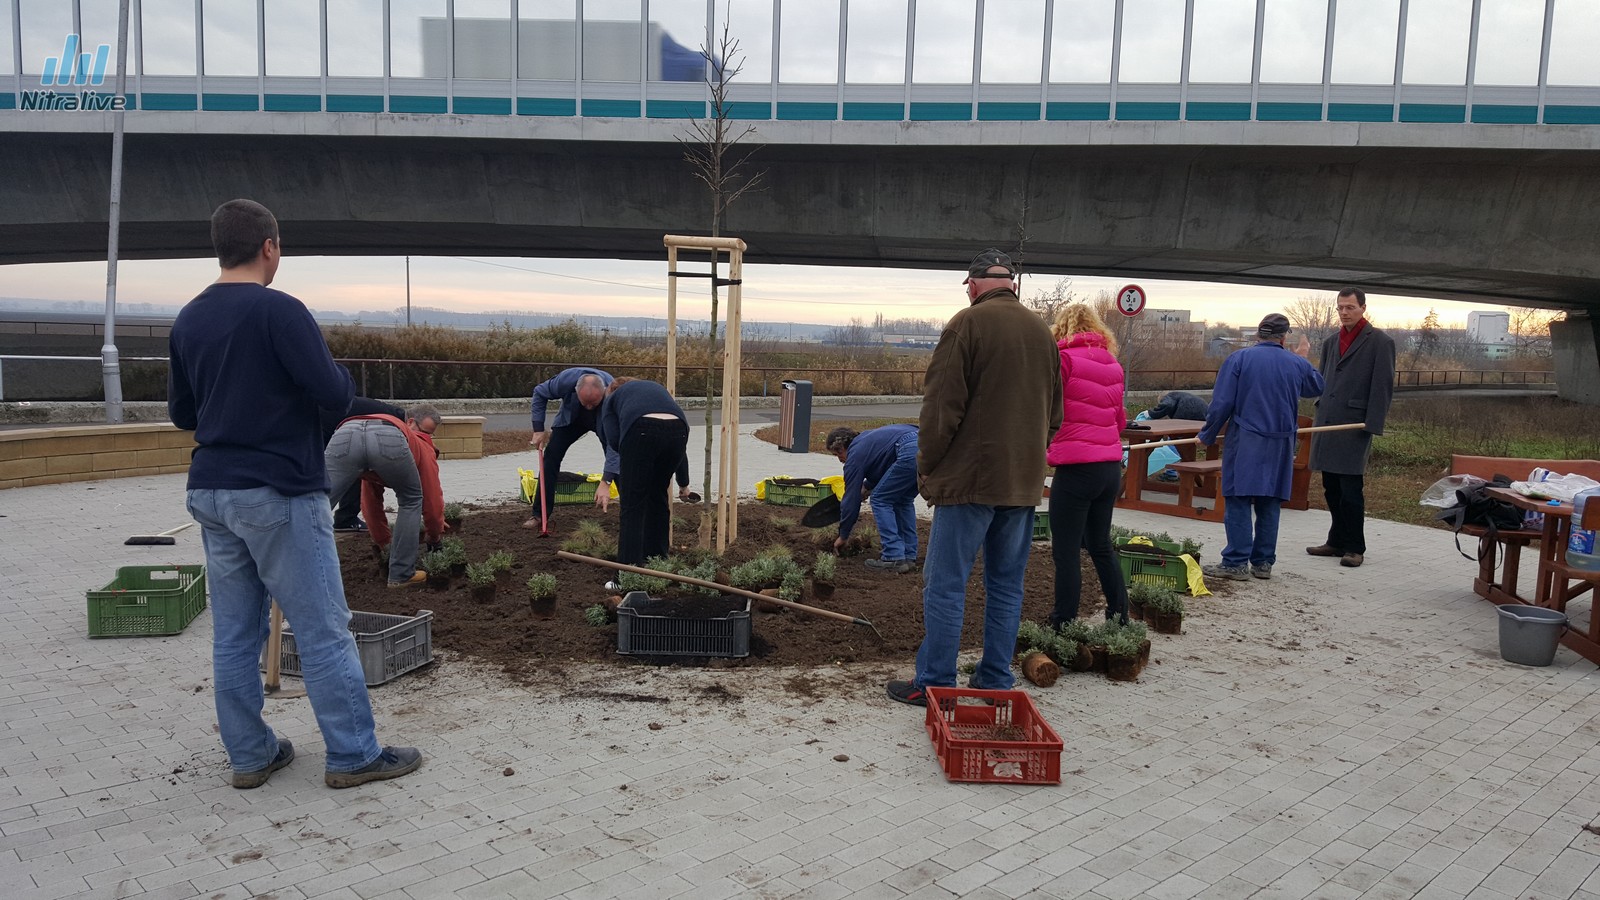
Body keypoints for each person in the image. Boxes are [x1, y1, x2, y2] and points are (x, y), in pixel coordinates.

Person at [168, 199, 421, 789]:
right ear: (269, 246)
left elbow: (183, 413)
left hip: (212, 490)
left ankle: (251, 755)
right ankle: (354, 755)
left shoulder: (189, 318)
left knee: (235, 634)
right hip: (279, 490)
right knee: (323, 627)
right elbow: (333, 394)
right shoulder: (279, 310)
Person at [886, 249, 1062, 707]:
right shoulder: (1042, 333)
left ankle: (937, 685)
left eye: (968, 285)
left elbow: (940, 408)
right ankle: (995, 682)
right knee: (1006, 585)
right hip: (1021, 484)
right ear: (1012, 285)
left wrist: (928, 464)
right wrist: (1029, 458)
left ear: (974, 284)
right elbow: (1055, 415)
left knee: (946, 584)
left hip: (969, 483)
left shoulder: (966, 324)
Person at [1198, 313, 1325, 582]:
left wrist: (1207, 434)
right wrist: (1303, 358)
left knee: (1238, 498)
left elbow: (1222, 403)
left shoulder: (1239, 359)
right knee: (1270, 500)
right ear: (1284, 337)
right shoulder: (1295, 363)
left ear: (1258, 334)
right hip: (1281, 443)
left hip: (1246, 440)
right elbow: (1317, 386)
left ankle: (1235, 562)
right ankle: (1263, 563)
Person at [1046, 303, 1130, 626]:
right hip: (1109, 469)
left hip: (1075, 469)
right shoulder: (1113, 364)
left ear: (1062, 328)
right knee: (1100, 545)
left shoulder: (1064, 361)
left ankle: (1063, 620)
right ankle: (1119, 615)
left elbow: (1050, 411)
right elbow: (1119, 421)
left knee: (1065, 550)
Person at [1306, 288, 1396, 568]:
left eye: (1350, 307)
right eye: (1340, 307)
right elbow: (1323, 378)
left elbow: (1383, 386)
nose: (1344, 312)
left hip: (1355, 424)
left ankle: (1355, 547)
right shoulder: (1331, 342)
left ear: (1363, 308)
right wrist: (1320, 404)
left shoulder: (1380, 342)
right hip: (1328, 422)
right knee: (1330, 486)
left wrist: (1373, 423)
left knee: (1350, 488)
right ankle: (1336, 541)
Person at [325, 404, 446, 588]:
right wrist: (434, 535)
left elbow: (370, 502)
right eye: (425, 433)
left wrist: (384, 542)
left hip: (345, 433)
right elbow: (432, 500)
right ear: (410, 423)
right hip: (386, 439)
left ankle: (296, 576)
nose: (428, 437)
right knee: (411, 499)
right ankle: (401, 574)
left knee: (318, 504)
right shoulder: (423, 445)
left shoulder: (393, 427)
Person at [596, 377, 693, 568]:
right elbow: (681, 452)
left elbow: (613, 439)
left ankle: (628, 572)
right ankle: (658, 563)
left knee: (633, 503)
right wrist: (684, 484)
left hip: (640, 429)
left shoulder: (612, 397)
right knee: (658, 497)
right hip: (679, 430)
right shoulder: (655, 390)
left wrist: (633, 461)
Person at [524, 366, 613, 529]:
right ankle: (539, 515)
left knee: (619, 458)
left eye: (593, 403)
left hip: (603, 420)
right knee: (550, 458)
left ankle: (630, 512)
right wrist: (538, 429)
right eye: (585, 403)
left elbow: (615, 451)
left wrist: (606, 480)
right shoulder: (565, 381)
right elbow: (539, 392)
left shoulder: (613, 389)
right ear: (575, 391)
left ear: (604, 392)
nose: (589, 407)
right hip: (571, 420)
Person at [825, 424, 920, 573]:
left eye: (838, 454)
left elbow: (851, 498)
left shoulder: (855, 453)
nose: (840, 459)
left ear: (842, 446)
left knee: (880, 500)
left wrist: (843, 535)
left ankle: (893, 556)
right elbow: (884, 465)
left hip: (908, 449)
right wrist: (866, 486)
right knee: (902, 501)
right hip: (926, 446)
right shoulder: (867, 440)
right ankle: (908, 556)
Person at [320, 393, 404, 533]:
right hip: (327, 423)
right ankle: (313, 521)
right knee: (332, 472)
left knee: (355, 464)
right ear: (412, 422)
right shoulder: (395, 423)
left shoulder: (390, 414)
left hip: (330, 420)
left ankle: (344, 519)